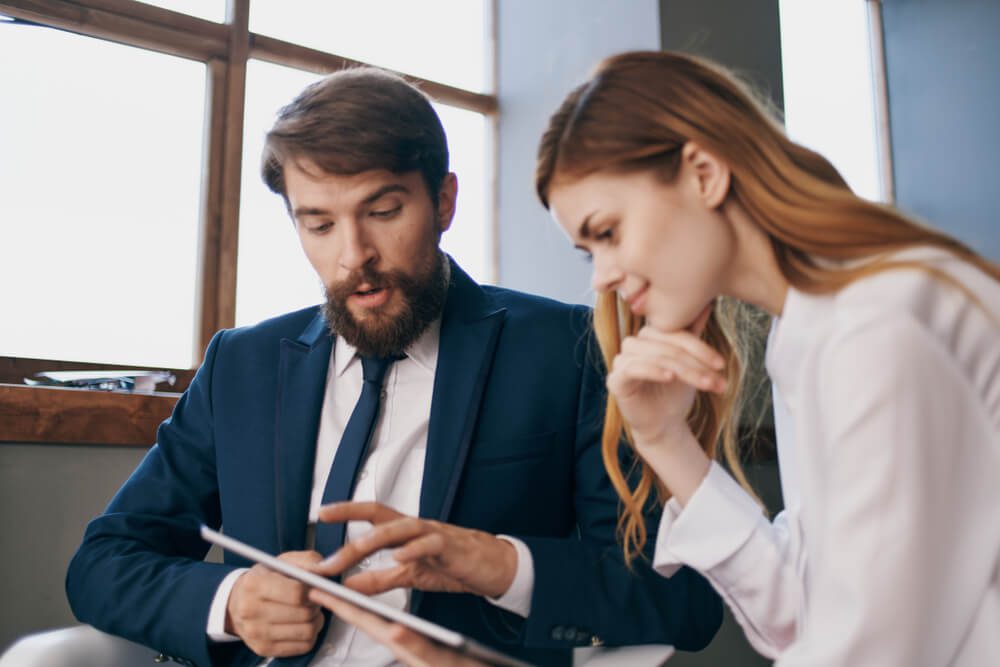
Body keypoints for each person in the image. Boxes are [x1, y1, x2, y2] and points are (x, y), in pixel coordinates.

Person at [65, 66, 722, 667]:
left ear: (443, 202)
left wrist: (500, 563)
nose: (355, 255)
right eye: (318, 224)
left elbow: (682, 601)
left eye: (382, 212)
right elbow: (101, 564)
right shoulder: (241, 365)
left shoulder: (566, 350)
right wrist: (233, 599)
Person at [533, 50, 1000, 665]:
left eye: (608, 232)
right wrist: (667, 441)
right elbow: (803, 615)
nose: (603, 277)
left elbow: (867, 650)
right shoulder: (809, 328)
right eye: (586, 253)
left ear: (703, 173)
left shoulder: (868, 324)